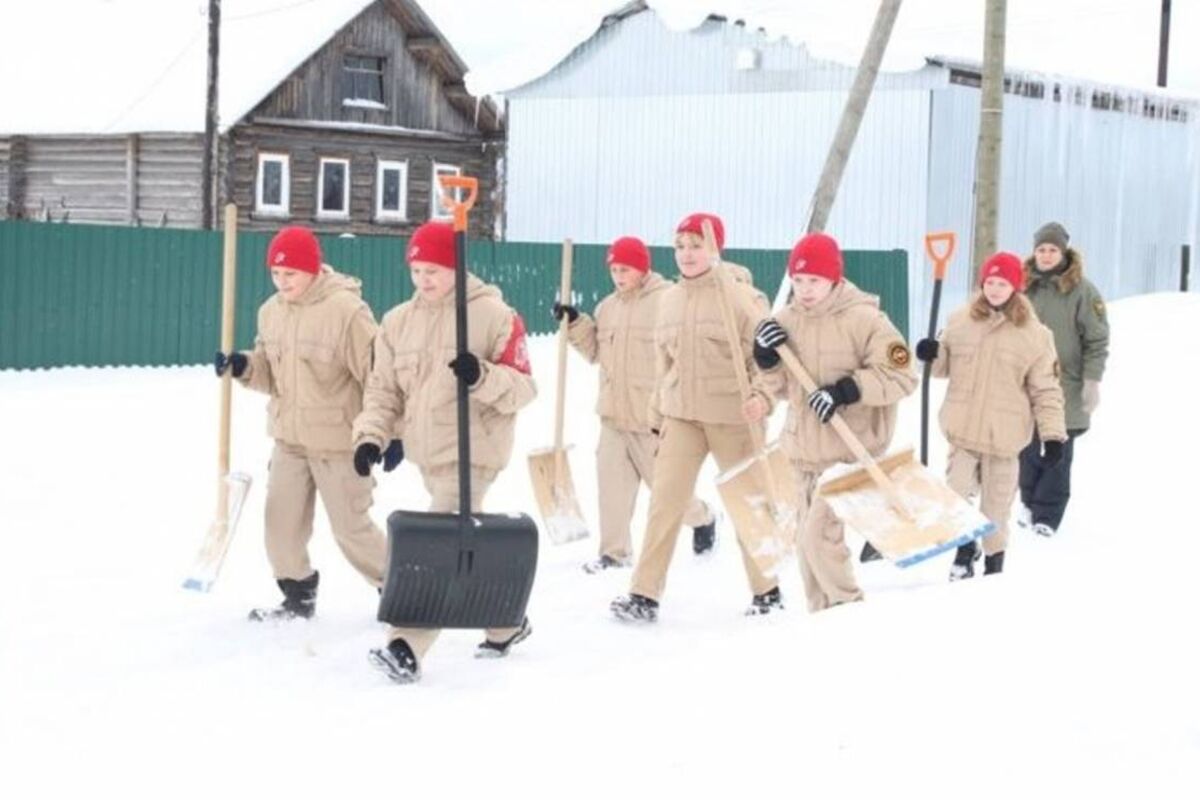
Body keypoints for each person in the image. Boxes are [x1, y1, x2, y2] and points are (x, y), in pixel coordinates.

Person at [352, 220, 536, 683]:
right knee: (460, 543)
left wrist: (482, 377)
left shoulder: (495, 315)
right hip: (427, 451)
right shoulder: (397, 322)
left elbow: (524, 388)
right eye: (416, 270)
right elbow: (383, 392)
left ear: (456, 267)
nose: (423, 280)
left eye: (433, 270)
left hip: (476, 449)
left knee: (438, 546)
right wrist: (371, 437)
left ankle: (405, 643)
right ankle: (505, 623)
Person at [214, 226, 394, 621]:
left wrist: (388, 433)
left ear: (311, 270)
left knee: (352, 530)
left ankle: (400, 590)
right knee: (280, 527)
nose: (282, 283)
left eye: (290, 274)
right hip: (289, 441)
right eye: (276, 275)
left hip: (340, 443)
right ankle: (297, 595)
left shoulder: (346, 312)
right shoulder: (270, 312)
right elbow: (270, 373)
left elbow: (380, 375)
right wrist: (244, 366)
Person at [609, 213, 781, 622]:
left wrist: (762, 397)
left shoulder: (742, 299)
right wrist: (656, 413)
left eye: (696, 245)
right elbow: (663, 364)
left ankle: (767, 591)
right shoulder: (670, 299)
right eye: (680, 246)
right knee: (665, 502)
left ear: (714, 248)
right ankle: (644, 594)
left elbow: (768, 364)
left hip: (733, 417)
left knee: (747, 505)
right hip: (682, 417)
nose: (686, 254)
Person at [749, 233, 916, 611]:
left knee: (817, 540)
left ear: (835, 279)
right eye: (798, 280)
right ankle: (821, 619)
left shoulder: (867, 320)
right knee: (808, 553)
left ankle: (848, 607)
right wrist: (765, 358)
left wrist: (846, 391)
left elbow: (903, 375)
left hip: (848, 452)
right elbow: (778, 388)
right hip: (803, 453)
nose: (805, 290)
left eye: (814, 281)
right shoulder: (784, 321)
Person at [554, 235, 717, 573]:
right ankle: (613, 554)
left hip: (652, 420)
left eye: (625, 268)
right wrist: (575, 324)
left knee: (669, 494)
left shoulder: (667, 302)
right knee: (611, 492)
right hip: (613, 418)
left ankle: (703, 517)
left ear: (643, 268)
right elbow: (597, 353)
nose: (618, 275)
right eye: (613, 269)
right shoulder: (608, 307)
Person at [916, 252, 1067, 579]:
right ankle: (963, 551)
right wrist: (930, 353)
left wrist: (1053, 435)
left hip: (1005, 439)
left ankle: (994, 565)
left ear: (1016, 287)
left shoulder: (1035, 335)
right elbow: (942, 367)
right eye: (990, 282)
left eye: (1003, 283)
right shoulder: (960, 320)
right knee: (956, 497)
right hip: (963, 431)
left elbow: (1046, 390)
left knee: (996, 509)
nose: (995, 289)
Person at [1018, 222, 1110, 537]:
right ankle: (1028, 503)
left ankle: (1047, 515)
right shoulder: (1020, 285)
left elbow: (1097, 340)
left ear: (1063, 252)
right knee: (1025, 445)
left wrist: (1091, 381)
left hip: (1064, 383)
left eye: (1052, 250)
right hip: (1023, 380)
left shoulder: (1082, 291)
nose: (1046, 255)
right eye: (1041, 249)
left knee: (1057, 448)